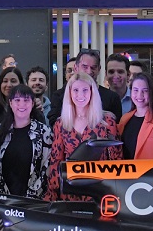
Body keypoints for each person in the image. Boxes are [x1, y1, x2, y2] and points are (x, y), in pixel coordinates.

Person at [44, 73, 119, 201]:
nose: (80, 95)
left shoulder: (107, 122)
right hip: (69, 192)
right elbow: (56, 163)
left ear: (92, 92)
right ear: (69, 93)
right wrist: (52, 197)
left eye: (85, 90)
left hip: (100, 192)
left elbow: (116, 162)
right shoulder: (61, 124)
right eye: (76, 90)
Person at [0, 85, 53, 199]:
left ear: (32, 103)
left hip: (35, 201)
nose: (22, 104)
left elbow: (47, 166)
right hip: (2, 200)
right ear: (10, 103)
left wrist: (32, 196)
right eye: (17, 100)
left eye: (26, 100)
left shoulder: (44, 132)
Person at [116, 74, 153, 161]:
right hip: (126, 169)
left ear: (152, 93)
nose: (140, 95)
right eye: (136, 90)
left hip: (151, 170)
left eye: (145, 90)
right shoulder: (124, 119)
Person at [74, 49, 123, 120]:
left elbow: (117, 125)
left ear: (99, 69)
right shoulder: (63, 96)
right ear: (76, 68)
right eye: (85, 67)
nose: (89, 71)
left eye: (93, 67)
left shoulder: (112, 98)